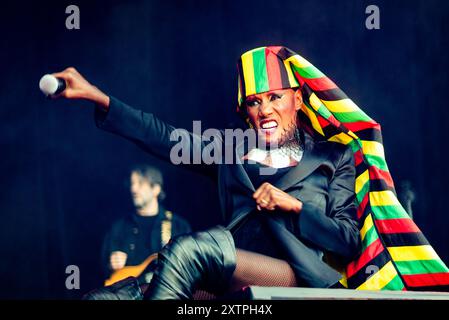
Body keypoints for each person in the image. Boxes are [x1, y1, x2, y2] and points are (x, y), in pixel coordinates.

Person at [51, 46, 449, 299]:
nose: (266, 110)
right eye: (255, 103)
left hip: (298, 276)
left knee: (192, 249)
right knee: (111, 297)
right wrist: (97, 96)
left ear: (297, 98)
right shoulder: (231, 152)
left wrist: (293, 206)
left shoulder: (335, 156)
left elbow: (346, 241)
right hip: (231, 276)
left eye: (275, 97)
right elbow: (164, 137)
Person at [102, 165, 192, 284]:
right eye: (132, 183)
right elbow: (103, 269)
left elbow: (190, 268)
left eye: (140, 183)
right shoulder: (119, 227)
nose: (133, 189)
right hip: (129, 293)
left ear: (156, 189)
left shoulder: (178, 225)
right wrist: (111, 263)